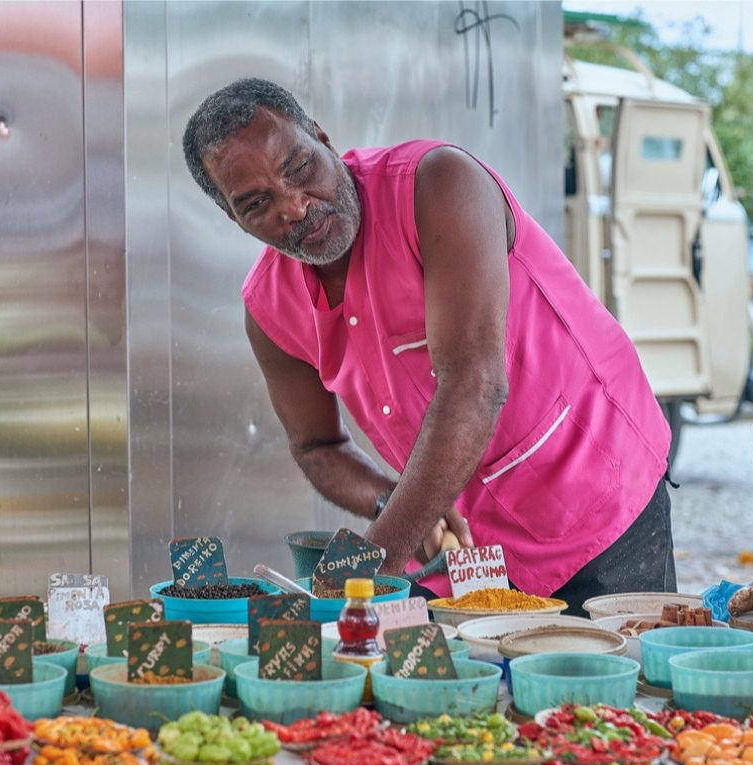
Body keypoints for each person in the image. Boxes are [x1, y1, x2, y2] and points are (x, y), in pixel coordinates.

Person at [182, 78, 676, 613]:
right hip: (465, 557)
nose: (295, 207)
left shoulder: (438, 185)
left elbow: (475, 385)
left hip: (596, 501)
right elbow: (317, 448)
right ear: (233, 219)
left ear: (322, 138)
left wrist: (374, 562)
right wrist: (394, 504)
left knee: (614, 690)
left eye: (299, 168)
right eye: (257, 203)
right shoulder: (268, 308)